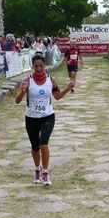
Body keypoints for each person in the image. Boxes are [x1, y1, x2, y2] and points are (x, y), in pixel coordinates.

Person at [15, 53, 74, 186]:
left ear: (45, 65)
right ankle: (37, 169)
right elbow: (17, 101)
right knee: (35, 147)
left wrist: (68, 89)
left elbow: (57, 96)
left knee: (43, 144)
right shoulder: (27, 80)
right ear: (33, 66)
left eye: (41, 66)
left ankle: (46, 172)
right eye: (36, 66)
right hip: (31, 118)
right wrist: (23, 91)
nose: (39, 69)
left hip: (47, 116)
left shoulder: (50, 80)